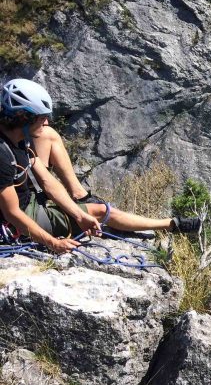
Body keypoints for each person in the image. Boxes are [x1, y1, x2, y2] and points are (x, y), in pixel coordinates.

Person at [0, 78, 199, 254]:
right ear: (24, 118)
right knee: (102, 211)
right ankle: (171, 224)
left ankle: (82, 198)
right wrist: (53, 243)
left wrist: (78, 214)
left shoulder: (18, 136)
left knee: (49, 137)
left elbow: (46, 180)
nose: (47, 121)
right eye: (42, 117)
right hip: (18, 218)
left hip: (28, 198)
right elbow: (13, 213)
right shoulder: (3, 156)